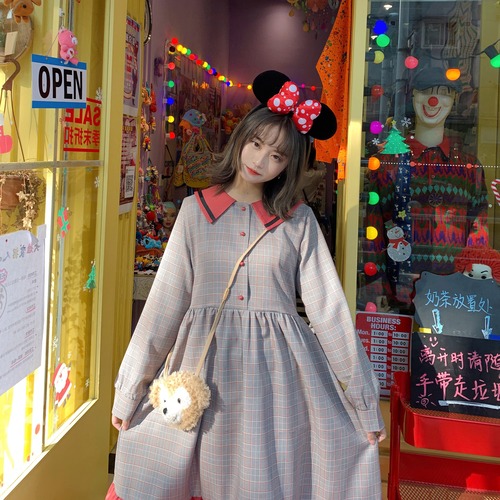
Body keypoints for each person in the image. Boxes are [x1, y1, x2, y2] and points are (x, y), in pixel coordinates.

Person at [107, 70, 386, 500]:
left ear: (288, 166)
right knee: (176, 468)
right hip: (201, 369)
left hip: (276, 379)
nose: (260, 160)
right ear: (241, 137)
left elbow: (329, 312)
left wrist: (364, 403)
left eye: (276, 156)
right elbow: (163, 306)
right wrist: (129, 391)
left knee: (261, 477)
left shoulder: (298, 222)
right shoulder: (193, 212)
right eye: (256, 143)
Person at [364, 66, 489, 311]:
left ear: (453, 100)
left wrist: (475, 286)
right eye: (425, 91)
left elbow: (479, 231)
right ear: (413, 97)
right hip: (400, 293)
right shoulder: (388, 164)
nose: (433, 101)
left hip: (455, 296)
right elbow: (374, 228)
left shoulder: (469, 167)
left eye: (443, 93)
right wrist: (377, 289)